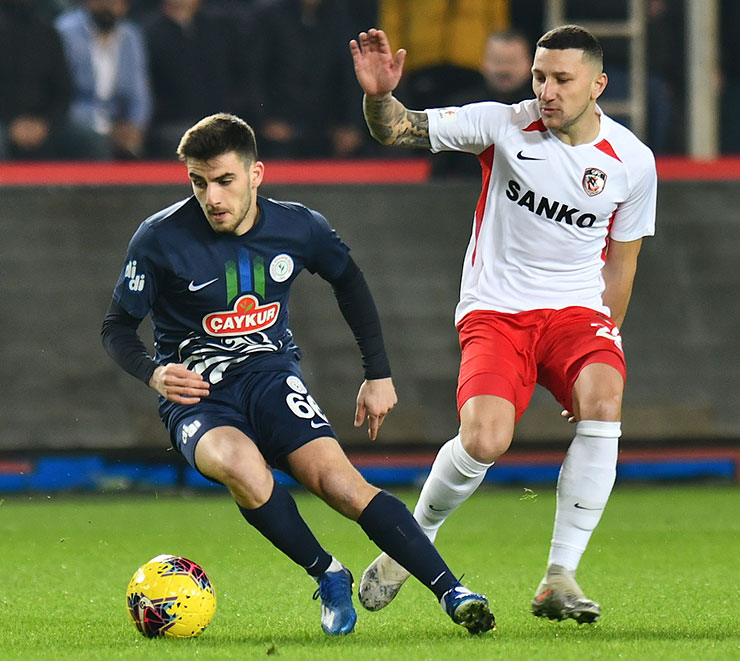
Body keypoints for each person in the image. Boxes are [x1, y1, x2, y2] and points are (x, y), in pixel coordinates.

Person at [101, 113, 495, 636]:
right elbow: (116, 328)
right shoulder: (159, 238)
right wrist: (154, 374)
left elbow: (349, 283)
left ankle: (453, 592)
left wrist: (378, 374)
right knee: (240, 467)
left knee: (342, 486)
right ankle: (327, 573)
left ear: (255, 174)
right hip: (198, 393)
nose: (212, 197)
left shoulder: (299, 226)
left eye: (224, 180)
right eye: (198, 182)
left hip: (270, 377)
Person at [349, 25, 656, 624]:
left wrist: (605, 347)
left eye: (562, 79)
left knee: (605, 400)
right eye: (540, 77)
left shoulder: (633, 162)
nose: (546, 91)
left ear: (598, 84)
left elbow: (622, 262)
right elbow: (397, 128)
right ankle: (414, 539)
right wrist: (379, 97)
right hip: (497, 312)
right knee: (485, 439)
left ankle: (559, 577)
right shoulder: (502, 124)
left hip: (576, 315)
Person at [244, 0, 366, 159]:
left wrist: (352, 125)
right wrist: (265, 121)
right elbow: (255, 75)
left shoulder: (342, 17)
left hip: (328, 128)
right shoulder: (269, 16)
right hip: (279, 127)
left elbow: (350, 76)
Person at [142, 0, 250, 159]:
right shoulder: (149, 33)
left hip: (220, 118)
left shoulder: (220, 27)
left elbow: (240, 73)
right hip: (171, 123)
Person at [55, 0, 152, 158]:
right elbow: (61, 95)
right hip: (77, 119)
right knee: (96, 143)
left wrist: (135, 126)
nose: (108, 6)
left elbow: (139, 95)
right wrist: (106, 130)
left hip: (117, 122)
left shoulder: (131, 36)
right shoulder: (65, 32)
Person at [432, 29, 534, 179]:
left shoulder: (543, 110)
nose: (504, 70)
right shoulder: (460, 110)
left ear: (530, 64)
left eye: (512, 62)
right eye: (498, 62)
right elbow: (438, 175)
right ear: (483, 63)